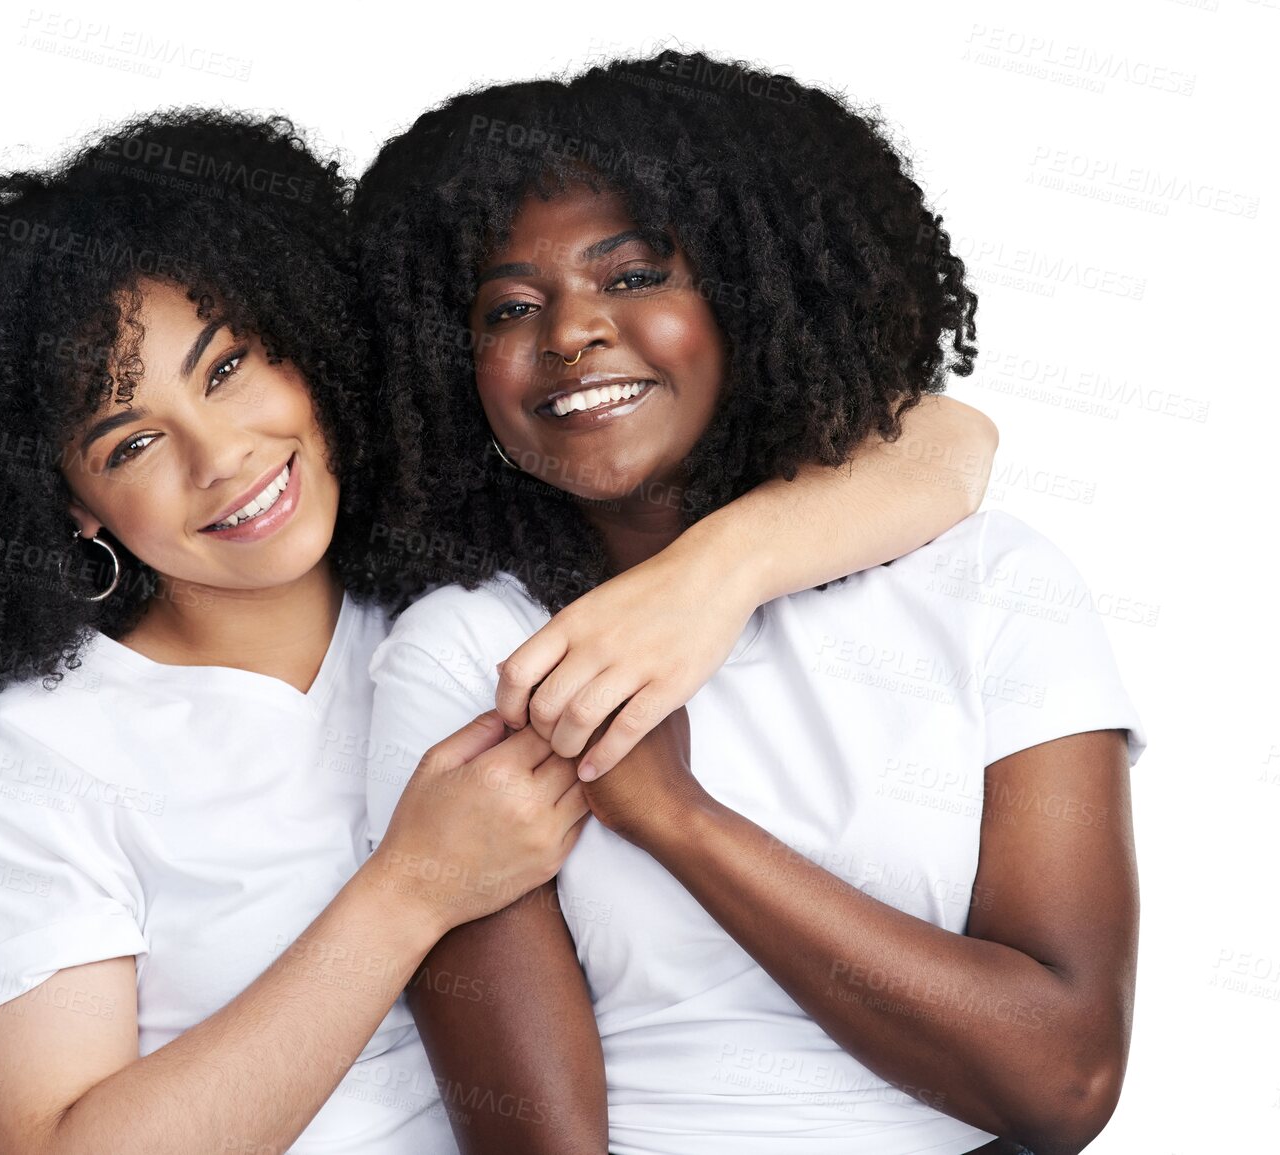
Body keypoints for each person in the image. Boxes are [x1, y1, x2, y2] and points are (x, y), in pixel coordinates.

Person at [0, 106, 998, 1154]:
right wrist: (412, 888)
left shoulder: (460, 582)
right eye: (130, 441)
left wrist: (712, 577)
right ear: (68, 503)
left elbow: (947, 446)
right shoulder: (28, 766)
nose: (223, 454)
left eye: (232, 366)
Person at [355, 51, 1142, 1155]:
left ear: (749, 294)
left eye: (632, 276)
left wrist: (681, 821)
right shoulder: (472, 653)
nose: (571, 331)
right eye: (509, 307)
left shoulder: (990, 583)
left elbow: (1064, 1080)